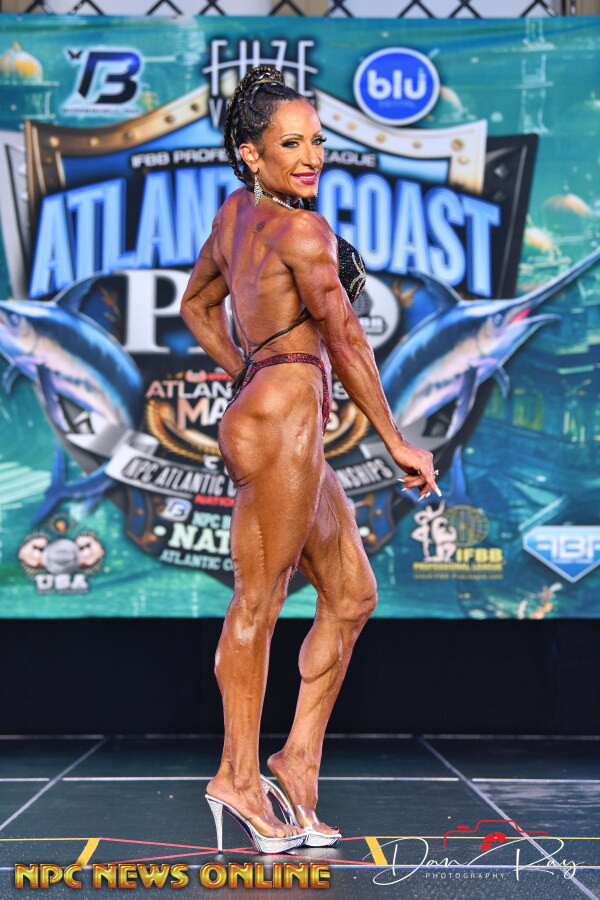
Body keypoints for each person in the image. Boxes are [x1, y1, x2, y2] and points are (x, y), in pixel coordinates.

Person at [180, 65, 441, 854]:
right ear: (249, 153)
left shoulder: (235, 216)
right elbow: (347, 340)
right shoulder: (304, 232)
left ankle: (295, 762)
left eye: (317, 142)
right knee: (257, 606)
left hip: (284, 420)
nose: (311, 157)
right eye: (290, 144)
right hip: (281, 425)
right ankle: (235, 777)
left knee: (352, 595)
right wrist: (395, 439)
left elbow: (197, 304)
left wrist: (246, 370)